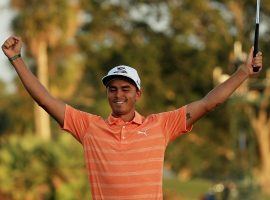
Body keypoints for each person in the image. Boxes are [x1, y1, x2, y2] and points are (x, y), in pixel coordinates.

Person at [2, 36, 263, 200]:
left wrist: (242, 73)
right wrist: (16, 60)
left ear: (137, 93)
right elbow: (45, 100)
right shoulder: (89, 127)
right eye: (112, 89)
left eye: (125, 89)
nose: (118, 95)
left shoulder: (160, 125)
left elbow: (209, 102)